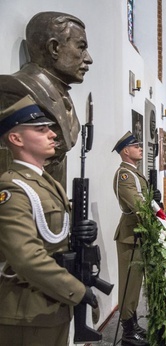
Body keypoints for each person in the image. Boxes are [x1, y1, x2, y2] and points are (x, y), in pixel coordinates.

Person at [0, 95, 98, 345]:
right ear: (16, 138)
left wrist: (82, 230)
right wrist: (77, 290)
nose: (52, 134)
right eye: (41, 130)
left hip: (53, 305)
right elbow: (26, 257)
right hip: (28, 312)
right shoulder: (12, 188)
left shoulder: (46, 182)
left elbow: (54, 234)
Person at [0, 12, 93, 187]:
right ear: (54, 48)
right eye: (81, 47)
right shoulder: (15, 89)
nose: (88, 59)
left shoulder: (63, 96)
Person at [112, 131, 155, 346]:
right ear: (126, 151)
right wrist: (157, 219)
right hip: (131, 236)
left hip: (138, 235)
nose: (140, 148)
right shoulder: (125, 175)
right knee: (129, 284)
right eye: (136, 146)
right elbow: (138, 206)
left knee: (136, 283)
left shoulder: (135, 173)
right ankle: (128, 331)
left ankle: (134, 325)